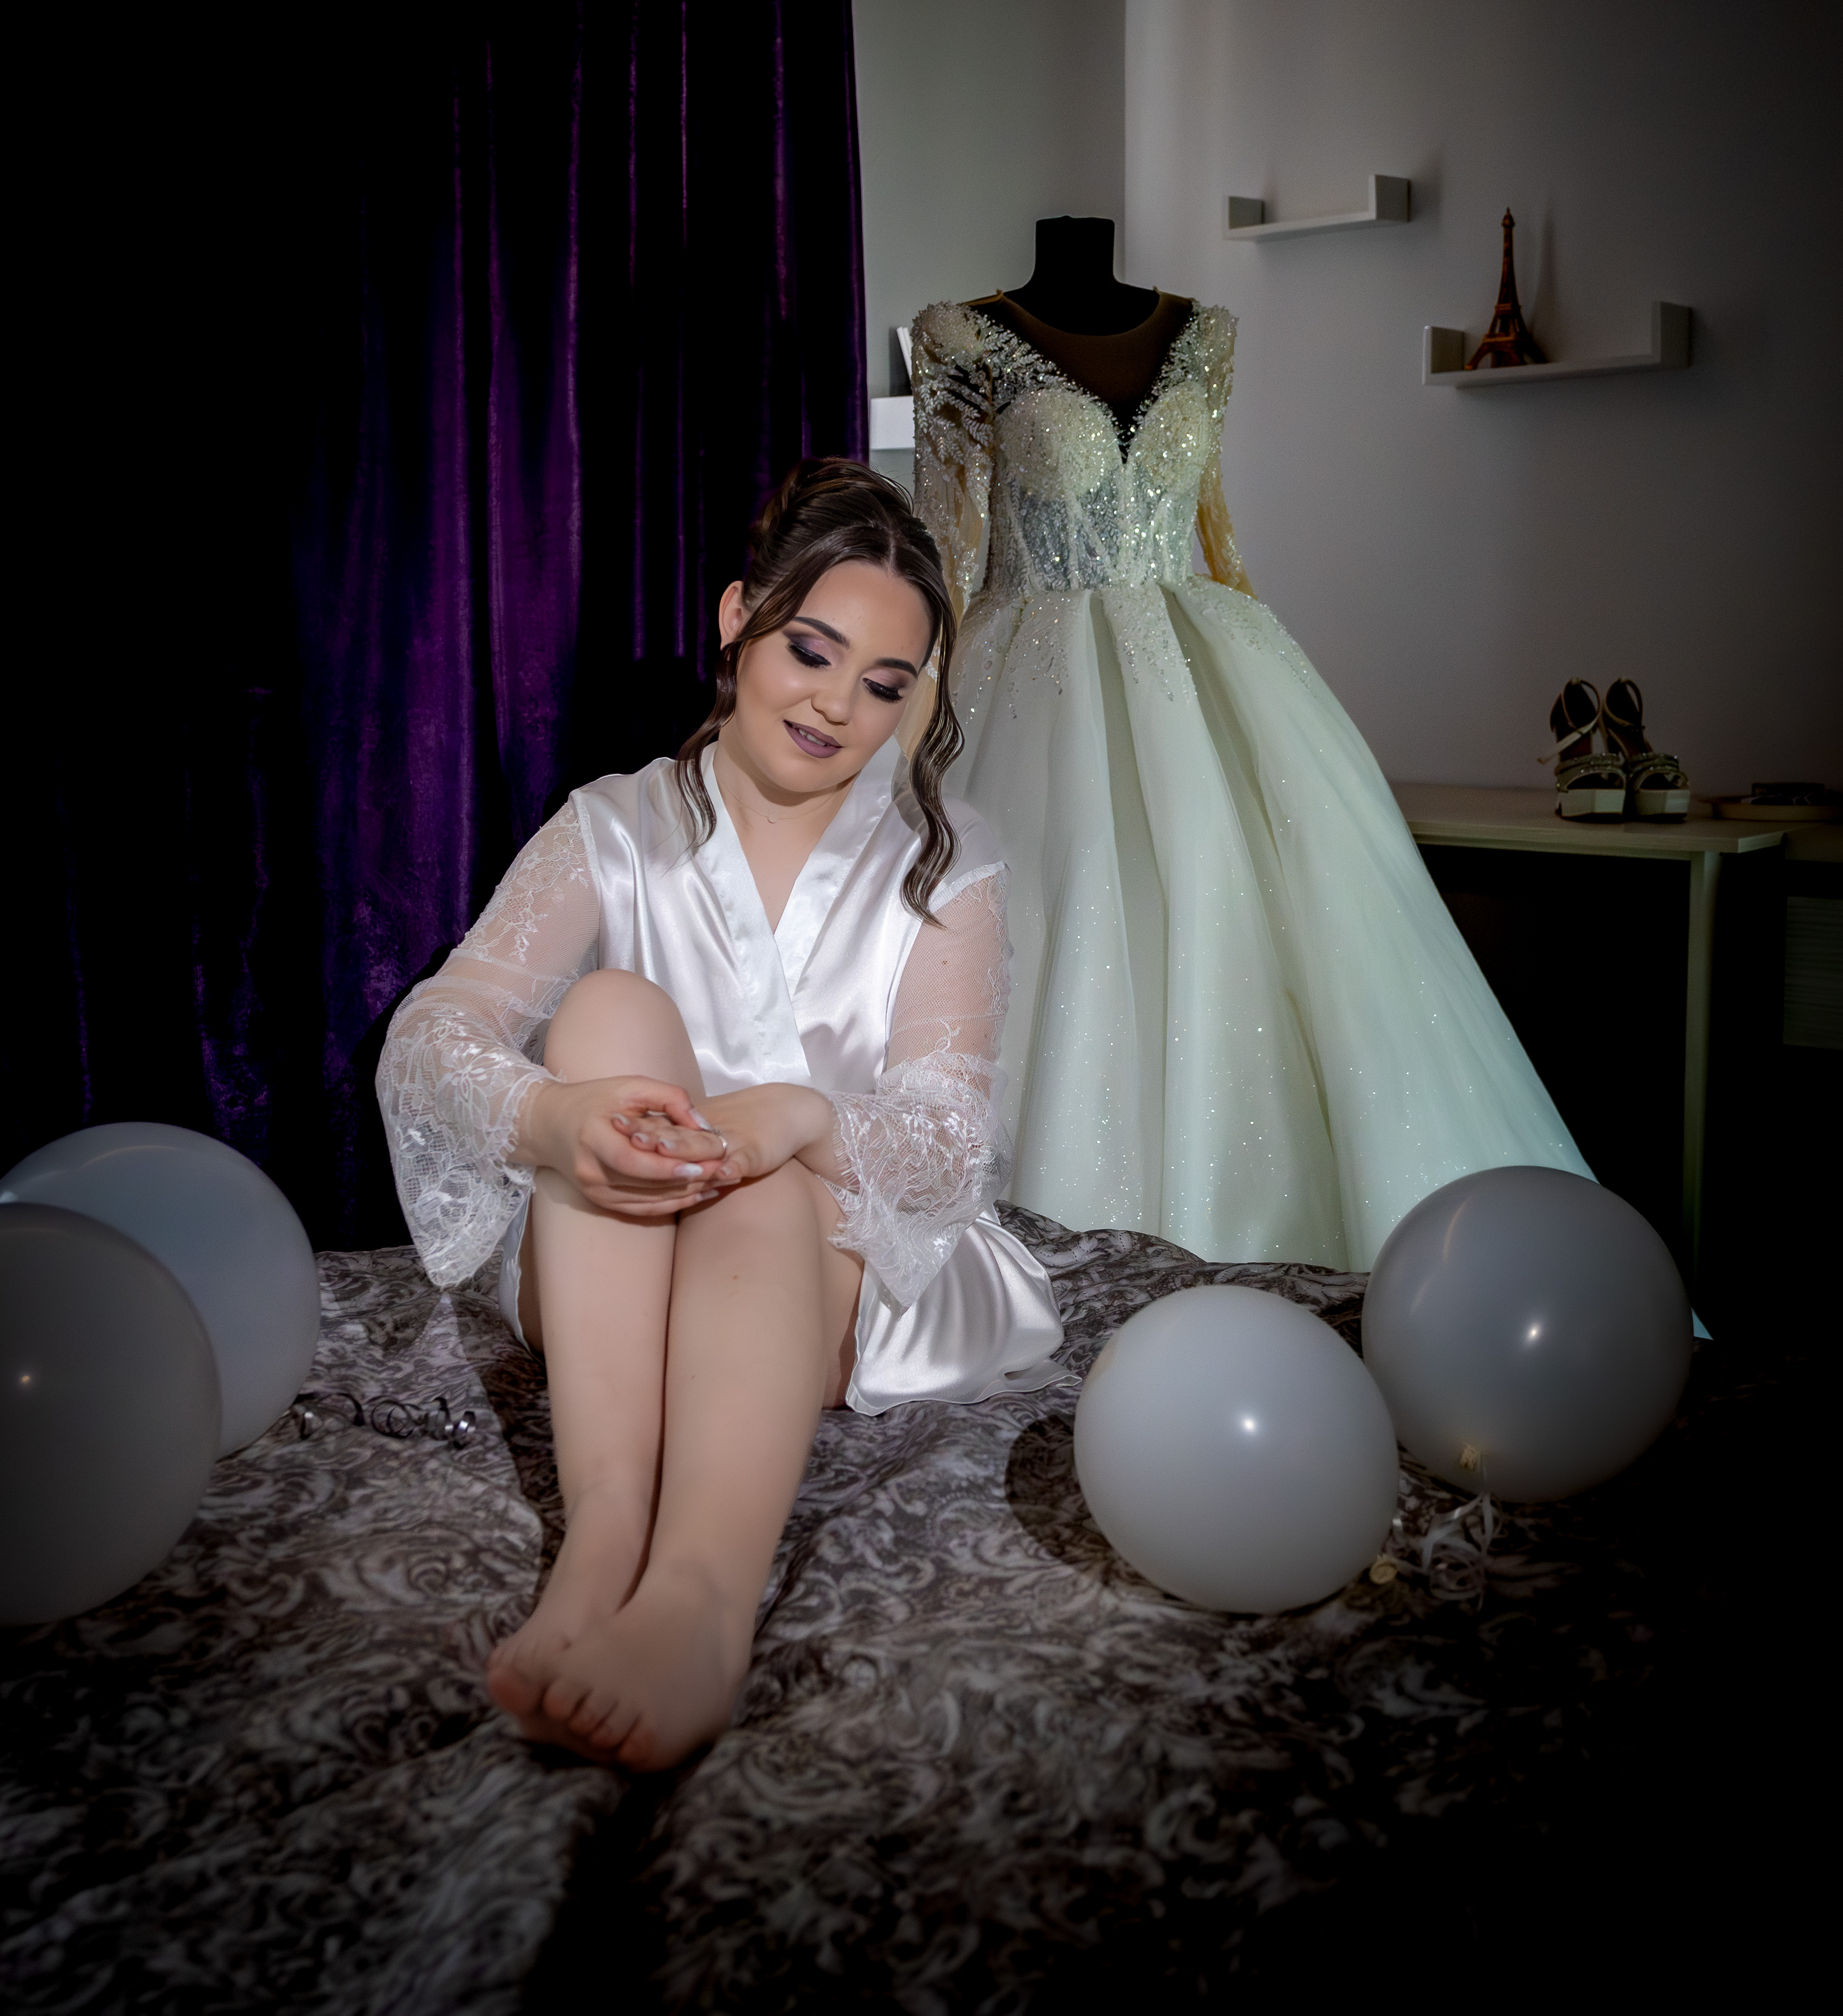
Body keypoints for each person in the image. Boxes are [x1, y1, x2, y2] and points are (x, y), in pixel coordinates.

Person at [377, 461, 1063, 1771]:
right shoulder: (612, 827)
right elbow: (429, 1037)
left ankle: (698, 1599)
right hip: (622, 1255)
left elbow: (946, 1145)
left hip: (843, 1258)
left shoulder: (943, 861)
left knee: (763, 1187)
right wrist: (553, 1118)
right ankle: (601, 1543)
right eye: (812, 651)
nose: (837, 705)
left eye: (885, 685)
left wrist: (793, 1118)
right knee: (606, 1013)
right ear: (739, 617)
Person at [910, 215, 1589, 1272]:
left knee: (1261, 909)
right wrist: (909, 717)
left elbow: (1214, 527)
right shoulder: (960, 336)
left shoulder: (1205, 334)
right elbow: (944, 550)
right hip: (1027, 674)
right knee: (1066, 902)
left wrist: (1264, 684)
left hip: (1196, 653)